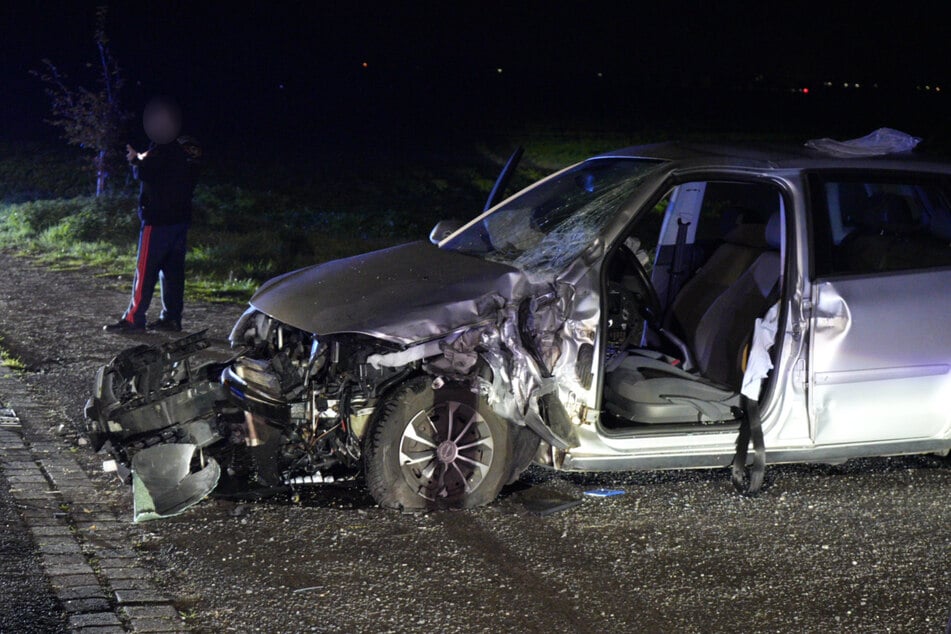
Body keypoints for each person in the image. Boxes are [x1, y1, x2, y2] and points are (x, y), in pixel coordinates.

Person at [104, 96, 199, 333]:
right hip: (180, 220)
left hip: (157, 222)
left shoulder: (161, 151)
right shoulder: (184, 153)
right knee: (173, 274)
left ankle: (134, 319)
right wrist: (141, 158)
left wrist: (135, 160)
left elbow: (146, 172)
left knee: (145, 270)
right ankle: (172, 318)